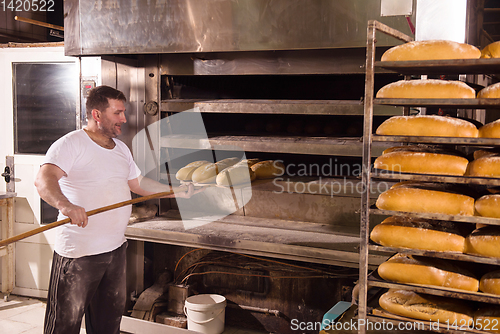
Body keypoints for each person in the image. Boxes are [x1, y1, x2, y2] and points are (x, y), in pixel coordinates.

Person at [35, 85, 199, 334]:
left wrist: (173, 190)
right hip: (79, 254)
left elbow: (137, 183)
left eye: (124, 112)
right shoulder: (71, 144)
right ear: (97, 114)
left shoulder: (121, 148)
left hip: (114, 251)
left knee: (107, 325)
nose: (124, 118)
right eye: (118, 112)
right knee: (63, 326)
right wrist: (66, 205)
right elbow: (43, 181)